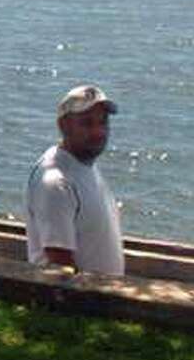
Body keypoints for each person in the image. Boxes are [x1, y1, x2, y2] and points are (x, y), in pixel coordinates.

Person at [25, 84, 125, 274]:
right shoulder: (56, 183)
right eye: (87, 123)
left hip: (105, 296)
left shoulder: (85, 164)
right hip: (81, 300)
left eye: (103, 122)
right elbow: (60, 265)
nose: (98, 132)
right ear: (63, 126)